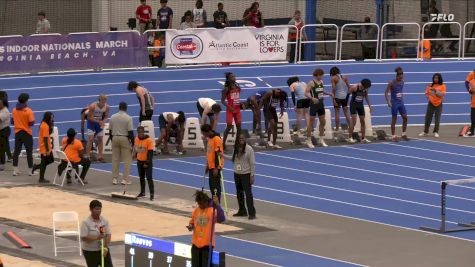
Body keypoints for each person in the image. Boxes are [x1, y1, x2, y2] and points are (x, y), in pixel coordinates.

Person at [187, 190, 225, 267]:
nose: (200, 205)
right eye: (198, 203)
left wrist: (217, 204)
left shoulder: (211, 211)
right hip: (195, 245)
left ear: (206, 202)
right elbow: (192, 222)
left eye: (201, 203)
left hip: (207, 246)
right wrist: (191, 226)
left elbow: (221, 219)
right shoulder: (196, 210)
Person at [305, 68, 334, 148]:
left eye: (322, 75)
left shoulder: (321, 82)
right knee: (311, 123)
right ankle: (308, 140)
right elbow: (306, 93)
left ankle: (321, 139)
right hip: (314, 104)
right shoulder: (311, 82)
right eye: (321, 75)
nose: (322, 76)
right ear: (317, 75)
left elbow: (321, 91)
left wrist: (329, 93)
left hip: (321, 104)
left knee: (323, 122)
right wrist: (312, 98)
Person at [230, 134, 256, 220]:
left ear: (245, 139)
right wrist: (222, 155)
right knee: (239, 193)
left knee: (248, 194)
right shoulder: (236, 148)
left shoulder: (249, 149)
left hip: (246, 174)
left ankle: (252, 213)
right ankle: (242, 210)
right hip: (237, 173)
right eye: (239, 138)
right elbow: (232, 159)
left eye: (242, 138)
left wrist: (252, 175)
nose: (241, 139)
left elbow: (252, 163)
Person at [80, 200, 113, 267]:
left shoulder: (103, 221)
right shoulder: (86, 222)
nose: (98, 211)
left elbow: (108, 234)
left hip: (103, 250)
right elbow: (84, 237)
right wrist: (97, 238)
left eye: (100, 209)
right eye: (96, 209)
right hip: (90, 251)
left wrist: (106, 247)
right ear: (91, 209)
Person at [109, 102, 134, 185]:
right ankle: (125, 179)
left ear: (119, 107)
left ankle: (114, 179)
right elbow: (130, 132)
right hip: (124, 138)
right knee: (127, 160)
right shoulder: (128, 118)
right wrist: (133, 143)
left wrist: (112, 139)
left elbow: (110, 130)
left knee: (115, 159)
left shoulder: (113, 116)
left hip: (115, 137)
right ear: (126, 108)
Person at [12, 93, 36, 176]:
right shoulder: (28, 111)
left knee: (16, 152)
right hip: (26, 133)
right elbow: (31, 123)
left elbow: (12, 121)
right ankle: (30, 171)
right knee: (29, 152)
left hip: (18, 133)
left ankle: (15, 170)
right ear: (26, 101)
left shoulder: (14, 110)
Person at [385, 67, 409, 142]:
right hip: (394, 103)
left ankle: (403, 134)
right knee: (394, 119)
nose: (401, 77)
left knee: (405, 118)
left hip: (401, 103)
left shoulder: (402, 82)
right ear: (397, 75)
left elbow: (399, 91)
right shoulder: (391, 83)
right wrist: (388, 101)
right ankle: (393, 136)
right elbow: (386, 92)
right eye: (400, 76)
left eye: (402, 75)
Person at [201, 124, 224, 202]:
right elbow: (210, 153)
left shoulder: (216, 139)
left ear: (207, 132)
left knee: (215, 187)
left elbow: (218, 154)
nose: (203, 135)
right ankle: (215, 201)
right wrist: (208, 164)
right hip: (211, 166)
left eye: (203, 133)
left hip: (216, 167)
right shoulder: (209, 139)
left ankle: (217, 203)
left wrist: (216, 168)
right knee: (211, 186)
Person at [419, 73, 446, 138]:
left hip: (439, 104)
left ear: (439, 79)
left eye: (437, 78)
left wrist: (436, 91)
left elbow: (442, 94)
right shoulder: (430, 85)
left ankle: (436, 132)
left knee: (437, 119)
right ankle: (425, 131)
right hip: (431, 104)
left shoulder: (442, 86)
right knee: (427, 118)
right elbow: (426, 93)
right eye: (434, 78)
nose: (435, 79)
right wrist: (427, 96)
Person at [31, 112, 55, 183]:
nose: (52, 118)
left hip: (46, 147)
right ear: (48, 117)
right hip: (45, 148)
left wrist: (51, 125)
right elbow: (45, 139)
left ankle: (37, 167)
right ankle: (41, 178)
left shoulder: (45, 124)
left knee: (51, 160)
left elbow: (49, 133)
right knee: (45, 162)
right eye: (51, 117)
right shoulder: (45, 126)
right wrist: (47, 150)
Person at [347, 79, 373, 144]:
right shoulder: (355, 87)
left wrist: (369, 105)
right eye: (366, 87)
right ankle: (350, 138)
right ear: (363, 85)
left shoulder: (365, 89)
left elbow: (366, 96)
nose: (366, 88)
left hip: (360, 106)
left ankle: (363, 138)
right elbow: (347, 94)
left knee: (363, 121)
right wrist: (346, 104)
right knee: (354, 121)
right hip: (353, 105)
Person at [221, 72, 242, 150]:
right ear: (228, 79)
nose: (234, 78)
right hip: (230, 110)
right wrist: (229, 107)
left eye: (234, 76)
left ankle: (236, 144)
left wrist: (241, 104)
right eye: (232, 77)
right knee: (229, 127)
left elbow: (237, 98)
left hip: (237, 109)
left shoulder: (237, 86)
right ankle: (223, 144)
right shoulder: (226, 89)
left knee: (239, 128)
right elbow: (222, 101)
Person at [86, 95, 110, 162]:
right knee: (90, 139)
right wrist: (98, 121)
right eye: (102, 102)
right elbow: (89, 118)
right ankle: (87, 156)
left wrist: (103, 122)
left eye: (104, 102)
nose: (103, 104)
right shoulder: (93, 106)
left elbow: (106, 117)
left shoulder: (107, 107)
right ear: (99, 101)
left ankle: (100, 156)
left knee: (100, 139)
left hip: (99, 124)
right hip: (91, 123)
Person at [134, 126, 155, 200]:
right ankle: (142, 192)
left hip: (147, 162)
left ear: (143, 132)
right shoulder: (136, 139)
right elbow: (136, 149)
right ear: (137, 132)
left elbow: (150, 153)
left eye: (141, 132)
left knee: (149, 178)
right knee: (141, 177)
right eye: (139, 132)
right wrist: (134, 155)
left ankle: (152, 194)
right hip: (139, 161)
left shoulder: (149, 140)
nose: (140, 134)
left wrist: (147, 163)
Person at [330, 67, 351, 132]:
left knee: (337, 113)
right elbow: (349, 87)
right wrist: (347, 95)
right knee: (346, 113)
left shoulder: (333, 78)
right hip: (344, 97)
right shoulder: (344, 77)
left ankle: (337, 128)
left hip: (337, 97)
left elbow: (333, 89)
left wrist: (333, 98)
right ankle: (350, 127)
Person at [0, 91, 12, 164]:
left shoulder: (5, 111)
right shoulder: (1, 109)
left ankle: (3, 162)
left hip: (5, 130)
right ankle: (9, 157)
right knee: (5, 144)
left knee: (3, 146)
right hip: (2, 130)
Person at [464, 70, 475, 137]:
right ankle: (472, 131)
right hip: (473, 101)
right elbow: (466, 83)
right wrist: (470, 90)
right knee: (473, 117)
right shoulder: (472, 77)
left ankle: (472, 131)